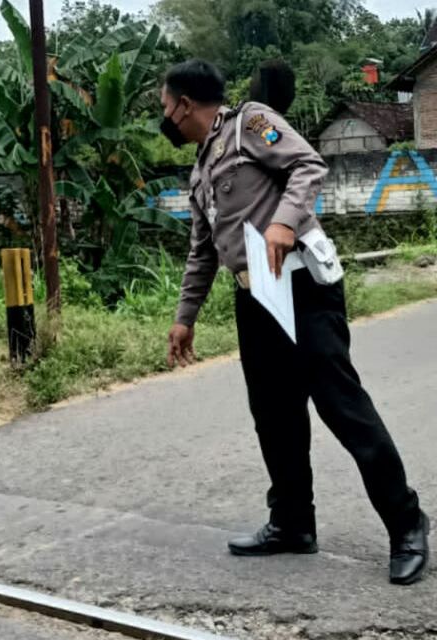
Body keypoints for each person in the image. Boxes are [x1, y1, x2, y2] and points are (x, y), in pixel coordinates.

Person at [160, 59, 430, 585]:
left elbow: (308, 165)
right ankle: (292, 523)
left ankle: (406, 523)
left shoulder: (251, 124)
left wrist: (284, 222)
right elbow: (202, 251)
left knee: (341, 406)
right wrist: (183, 318)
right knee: (274, 413)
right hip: (255, 296)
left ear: (184, 104)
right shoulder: (201, 168)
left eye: (164, 107)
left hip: (303, 284)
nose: (164, 117)